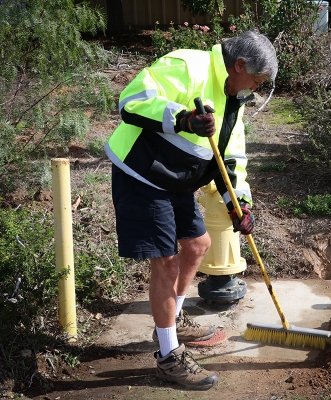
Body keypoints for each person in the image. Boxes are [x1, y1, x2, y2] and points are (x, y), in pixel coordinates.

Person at [104, 29, 278, 390]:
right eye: (258, 81)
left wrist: (240, 204)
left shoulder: (234, 100)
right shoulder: (188, 65)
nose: (256, 89)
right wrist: (182, 118)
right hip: (144, 173)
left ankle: (173, 318)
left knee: (198, 245)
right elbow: (132, 100)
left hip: (177, 179)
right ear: (239, 65)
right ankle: (169, 357)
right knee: (166, 261)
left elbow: (231, 160)